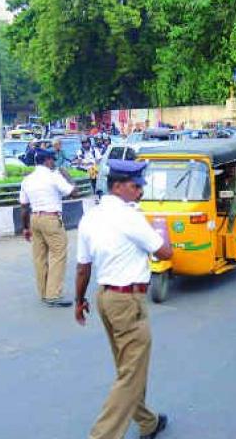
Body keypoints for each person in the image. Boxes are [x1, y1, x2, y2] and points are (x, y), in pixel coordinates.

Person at [74, 159, 173, 439]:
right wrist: (164, 233)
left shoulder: (90, 217)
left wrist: (78, 301)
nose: (140, 191)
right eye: (135, 186)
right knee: (131, 373)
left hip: (105, 298)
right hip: (129, 301)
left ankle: (148, 422)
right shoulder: (130, 217)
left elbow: (83, 267)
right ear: (117, 187)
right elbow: (165, 253)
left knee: (129, 367)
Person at [19, 149, 79, 307]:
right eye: (52, 159)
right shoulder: (54, 176)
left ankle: (43, 292)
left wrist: (25, 228)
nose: (54, 162)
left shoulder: (28, 179)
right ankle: (53, 294)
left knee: (39, 257)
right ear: (47, 161)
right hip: (51, 218)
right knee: (58, 254)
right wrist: (68, 177)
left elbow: (24, 207)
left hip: (34, 218)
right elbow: (74, 193)